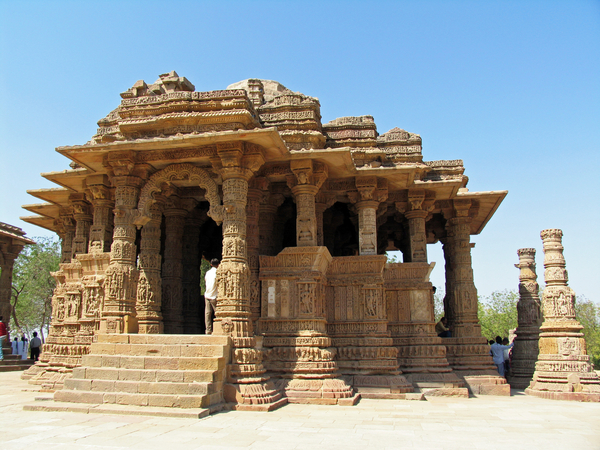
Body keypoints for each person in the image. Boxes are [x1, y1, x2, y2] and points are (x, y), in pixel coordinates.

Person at [204, 258, 220, 334]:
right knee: (218, 313)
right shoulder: (218, 272)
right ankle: (220, 328)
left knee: (207, 313)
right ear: (218, 265)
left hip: (207, 294)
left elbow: (205, 281)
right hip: (214, 295)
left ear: (211, 265)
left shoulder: (208, 273)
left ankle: (208, 329)